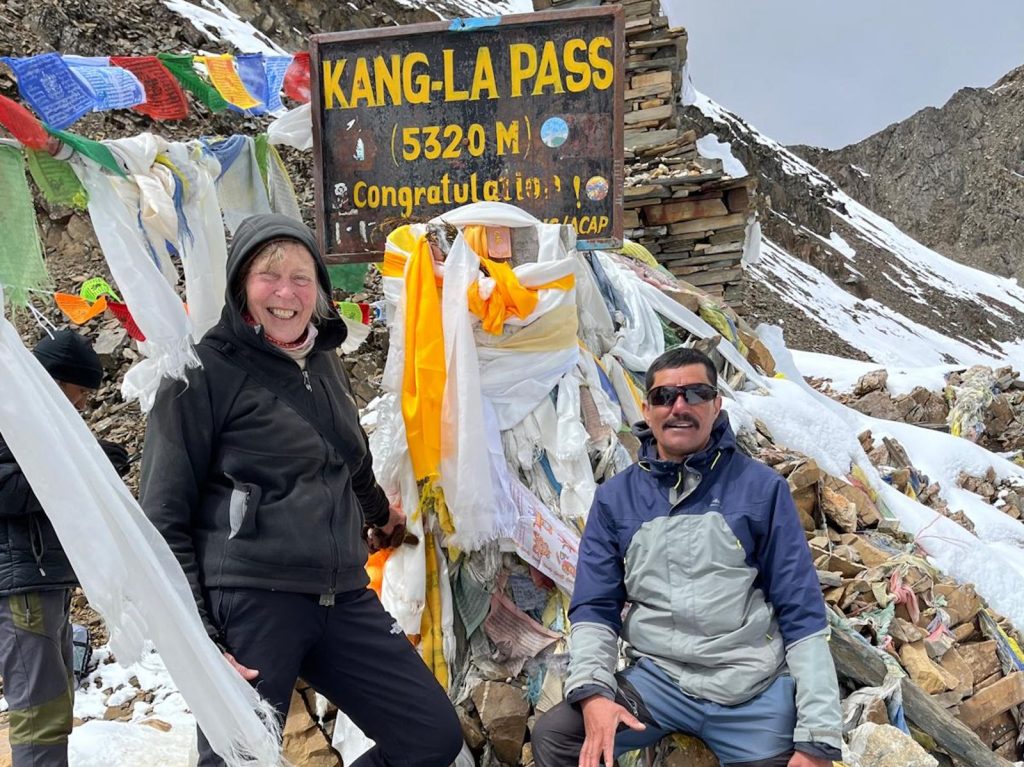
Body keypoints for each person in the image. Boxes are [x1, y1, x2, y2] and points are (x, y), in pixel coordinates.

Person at [139, 213, 463, 767]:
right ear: (241, 283)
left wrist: (379, 513)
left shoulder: (324, 360)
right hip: (251, 595)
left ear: (320, 288)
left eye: (301, 278)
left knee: (430, 737)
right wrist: (200, 640)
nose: (285, 293)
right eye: (268, 275)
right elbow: (162, 518)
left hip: (342, 592)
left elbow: (349, 457)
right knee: (239, 757)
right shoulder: (199, 374)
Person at [532, 347, 843, 767]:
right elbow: (595, 607)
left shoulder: (760, 489)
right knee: (558, 738)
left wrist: (817, 740)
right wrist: (593, 694)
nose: (679, 407)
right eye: (664, 397)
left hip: (751, 689)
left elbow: (802, 611)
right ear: (647, 410)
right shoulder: (616, 499)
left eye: (695, 393)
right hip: (660, 681)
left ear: (716, 405)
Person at [0, 329, 129, 767]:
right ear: (53, 381)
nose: (83, 406)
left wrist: (87, 460)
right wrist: (85, 464)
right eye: (80, 394)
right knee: (40, 712)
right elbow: (9, 491)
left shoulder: (36, 422)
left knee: (54, 703)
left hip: (42, 579)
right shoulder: (8, 415)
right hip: (20, 584)